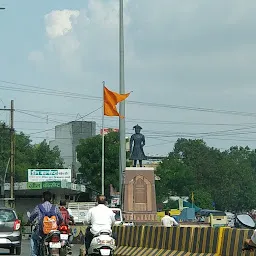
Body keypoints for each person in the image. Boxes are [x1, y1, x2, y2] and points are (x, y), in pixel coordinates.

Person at [29, 191, 63, 256]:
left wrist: (30, 221)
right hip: (53, 232)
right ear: (51, 199)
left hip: (41, 232)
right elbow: (61, 218)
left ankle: (34, 254)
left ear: (42, 198)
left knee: (33, 238)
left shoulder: (38, 207)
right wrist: (57, 223)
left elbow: (31, 217)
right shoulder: (55, 207)